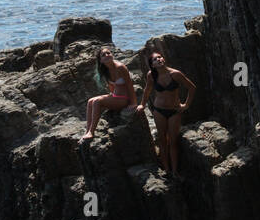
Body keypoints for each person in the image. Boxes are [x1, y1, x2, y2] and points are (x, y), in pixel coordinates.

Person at [137, 46, 196, 176]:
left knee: (173, 142)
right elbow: (147, 91)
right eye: (155, 59)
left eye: (160, 57)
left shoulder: (175, 74)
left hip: (174, 111)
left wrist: (185, 105)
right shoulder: (151, 75)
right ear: (152, 64)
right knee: (162, 140)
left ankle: (174, 171)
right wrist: (142, 105)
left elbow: (192, 88)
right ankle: (166, 170)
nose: (159, 59)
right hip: (159, 111)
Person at [82, 47, 136, 141]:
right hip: (116, 97)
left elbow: (129, 85)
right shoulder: (106, 70)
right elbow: (111, 86)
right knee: (90, 101)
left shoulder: (120, 67)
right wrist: (110, 97)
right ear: (101, 61)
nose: (107, 55)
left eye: (108, 53)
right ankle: (87, 131)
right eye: (104, 55)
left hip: (124, 99)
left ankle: (91, 131)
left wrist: (133, 103)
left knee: (97, 102)